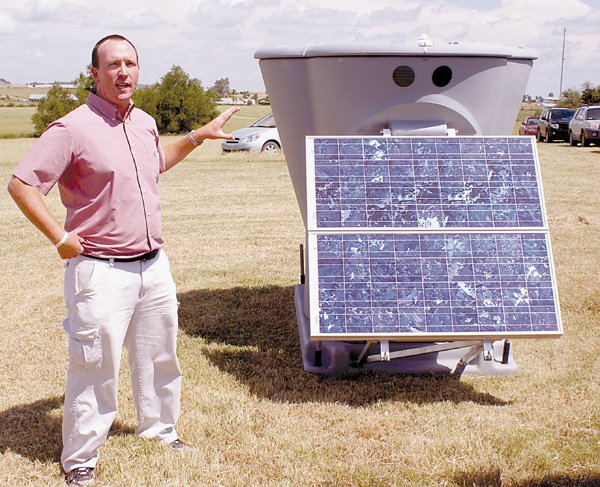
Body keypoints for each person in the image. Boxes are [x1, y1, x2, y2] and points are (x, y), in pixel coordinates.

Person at [7, 34, 239, 486]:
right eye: (112, 64)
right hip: (100, 270)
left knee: (159, 356)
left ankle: (159, 428)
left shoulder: (144, 123)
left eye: (130, 63)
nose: (123, 72)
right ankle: (80, 459)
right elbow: (21, 184)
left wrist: (194, 137)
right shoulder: (71, 129)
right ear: (94, 74)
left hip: (153, 265)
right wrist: (59, 237)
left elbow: (153, 165)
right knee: (94, 365)